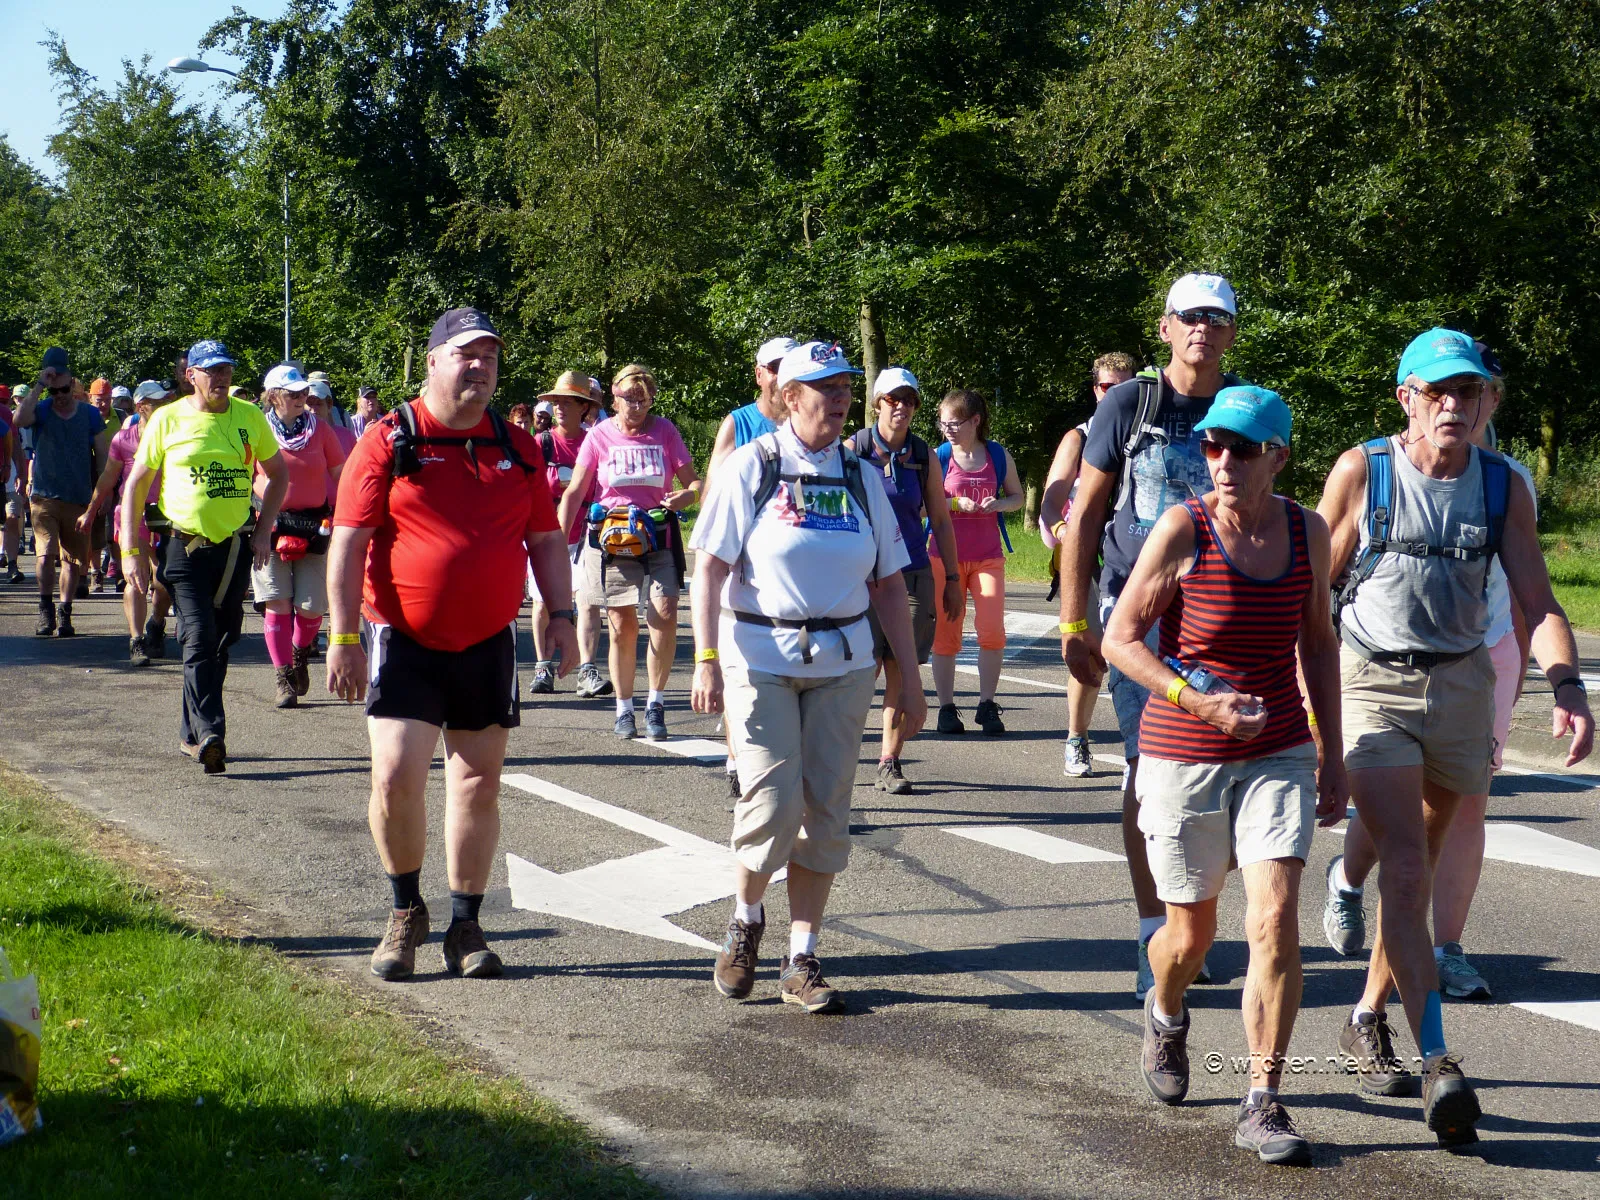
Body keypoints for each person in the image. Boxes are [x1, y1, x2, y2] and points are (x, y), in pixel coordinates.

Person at [1316, 328, 1592, 1147]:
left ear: (1484, 402)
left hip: (1463, 681)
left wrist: (1568, 688)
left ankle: (1366, 1015)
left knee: (1420, 870)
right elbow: (1313, 587)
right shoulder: (1363, 471)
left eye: (1466, 392)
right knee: (1406, 863)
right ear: (1405, 398)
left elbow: (1536, 600)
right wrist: (1305, 700)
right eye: (1436, 392)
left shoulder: (1504, 485)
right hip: (1373, 681)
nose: (1452, 405)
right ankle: (1439, 1059)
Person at [1104, 386, 1344, 1165]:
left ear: (1278, 454)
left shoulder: (1307, 530)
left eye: (1241, 448)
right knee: (1190, 934)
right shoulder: (1184, 527)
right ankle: (1166, 1010)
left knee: (1275, 916)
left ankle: (1263, 1098)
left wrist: (1330, 753)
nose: (1223, 462)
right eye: (1212, 446)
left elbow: (1318, 645)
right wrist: (1196, 701)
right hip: (1183, 750)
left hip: (1276, 747)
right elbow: (1120, 639)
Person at [325, 306, 576, 982]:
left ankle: (466, 924)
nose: (479, 366)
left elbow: (546, 539)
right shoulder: (389, 437)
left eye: (490, 357)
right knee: (395, 775)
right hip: (400, 635)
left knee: (476, 783)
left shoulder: (517, 446)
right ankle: (406, 910)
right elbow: (348, 542)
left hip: (487, 639)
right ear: (432, 361)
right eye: (465, 354)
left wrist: (561, 614)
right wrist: (343, 636)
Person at [691, 340, 926, 1012]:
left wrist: (909, 680)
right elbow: (708, 568)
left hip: (844, 664)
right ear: (790, 397)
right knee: (771, 804)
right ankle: (745, 920)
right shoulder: (752, 466)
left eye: (845, 384)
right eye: (824, 386)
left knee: (826, 811)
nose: (841, 396)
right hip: (760, 657)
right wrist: (706, 658)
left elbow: (888, 580)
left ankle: (802, 956)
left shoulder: (860, 474)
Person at [1059, 271, 1242, 998]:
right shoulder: (1131, 405)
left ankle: (1191, 919)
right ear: (1164, 327)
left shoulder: (1240, 410)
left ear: (1231, 332)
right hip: (1141, 622)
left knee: (1222, 786)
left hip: (1226, 619)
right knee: (1150, 775)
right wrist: (1076, 622)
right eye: (1189, 317)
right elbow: (1083, 517)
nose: (1203, 328)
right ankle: (1152, 932)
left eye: (1217, 319)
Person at [121, 340, 289, 775]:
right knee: (196, 637)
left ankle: (190, 734)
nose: (221, 377)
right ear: (190, 374)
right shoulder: (168, 418)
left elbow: (279, 472)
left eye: (226, 369)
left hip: (233, 550)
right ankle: (213, 732)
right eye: (211, 370)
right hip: (185, 547)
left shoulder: (248, 416)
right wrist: (130, 551)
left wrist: (265, 527)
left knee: (219, 642)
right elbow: (136, 485)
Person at [560, 363, 701, 740]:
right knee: (622, 625)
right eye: (628, 399)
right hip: (614, 538)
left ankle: (655, 703)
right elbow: (575, 489)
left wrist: (687, 495)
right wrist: (557, 539)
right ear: (613, 398)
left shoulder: (665, 431)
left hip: (658, 534)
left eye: (643, 400)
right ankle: (624, 708)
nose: (636, 407)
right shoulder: (600, 435)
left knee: (665, 615)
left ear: (652, 399)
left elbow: (694, 482)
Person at [849, 367, 959, 793]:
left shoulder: (922, 454)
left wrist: (950, 577)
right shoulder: (853, 450)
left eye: (909, 400)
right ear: (877, 402)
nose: (901, 407)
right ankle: (837, 753)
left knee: (901, 665)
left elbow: (941, 521)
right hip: (859, 576)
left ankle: (889, 761)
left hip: (911, 573)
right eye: (893, 399)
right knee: (862, 669)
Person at [704, 335, 797, 797]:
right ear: (760, 374)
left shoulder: (813, 425)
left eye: (789, 365)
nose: (782, 375)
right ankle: (738, 759)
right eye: (774, 367)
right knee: (741, 665)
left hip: (792, 575)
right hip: (742, 567)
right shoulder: (739, 422)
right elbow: (712, 495)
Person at [1041, 351, 1137, 777]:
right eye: (1105, 386)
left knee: (1136, 655)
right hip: (1090, 560)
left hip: (1135, 557)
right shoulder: (1078, 437)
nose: (1113, 393)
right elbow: (1049, 505)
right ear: (1094, 389)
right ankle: (1076, 738)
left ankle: (1141, 749)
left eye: (1123, 386)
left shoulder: (1145, 436)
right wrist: (1066, 537)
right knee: (1092, 653)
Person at [929, 388, 1023, 736]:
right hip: (943, 559)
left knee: (992, 633)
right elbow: (923, 507)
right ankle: (946, 708)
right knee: (945, 636)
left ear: (975, 421)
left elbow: (1017, 497)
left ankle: (987, 705)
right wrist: (954, 505)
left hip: (987, 558)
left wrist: (999, 504)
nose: (947, 429)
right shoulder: (938, 457)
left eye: (954, 423)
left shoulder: (997, 455)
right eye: (943, 423)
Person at [253, 364, 348, 708]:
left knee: (311, 607)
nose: (301, 398)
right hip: (270, 525)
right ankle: (283, 679)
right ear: (274, 395)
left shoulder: (321, 431)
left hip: (314, 525)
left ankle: (298, 656)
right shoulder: (257, 428)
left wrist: (354, 513)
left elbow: (342, 475)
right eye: (293, 393)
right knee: (277, 601)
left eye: (304, 393)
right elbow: (244, 473)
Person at [76, 380, 177, 664]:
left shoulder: (176, 436)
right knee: (136, 577)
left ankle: (156, 623)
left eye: (165, 402)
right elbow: (108, 477)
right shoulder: (124, 439)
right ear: (141, 406)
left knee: (166, 579)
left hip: (168, 514)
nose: (163, 407)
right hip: (132, 514)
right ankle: (137, 641)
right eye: (157, 403)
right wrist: (91, 510)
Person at [14, 347, 109, 637]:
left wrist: (101, 496)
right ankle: (45, 610)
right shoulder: (41, 410)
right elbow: (19, 420)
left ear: (73, 383)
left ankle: (64, 612)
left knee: (72, 560)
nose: (61, 395)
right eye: (54, 391)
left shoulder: (90, 415)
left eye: (65, 388)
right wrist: (40, 385)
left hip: (79, 497)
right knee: (44, 556)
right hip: (44, 496)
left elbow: (104, 458)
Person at [527, 371, 607, 698]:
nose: (558, 408)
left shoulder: (596, 441)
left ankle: (587, 671)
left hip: (587, 533)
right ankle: (543, 667)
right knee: (543, 602)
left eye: (567, 403)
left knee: (587, 602)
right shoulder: (541, 443)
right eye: (556, 402)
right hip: (546, 535)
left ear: (584, 407)